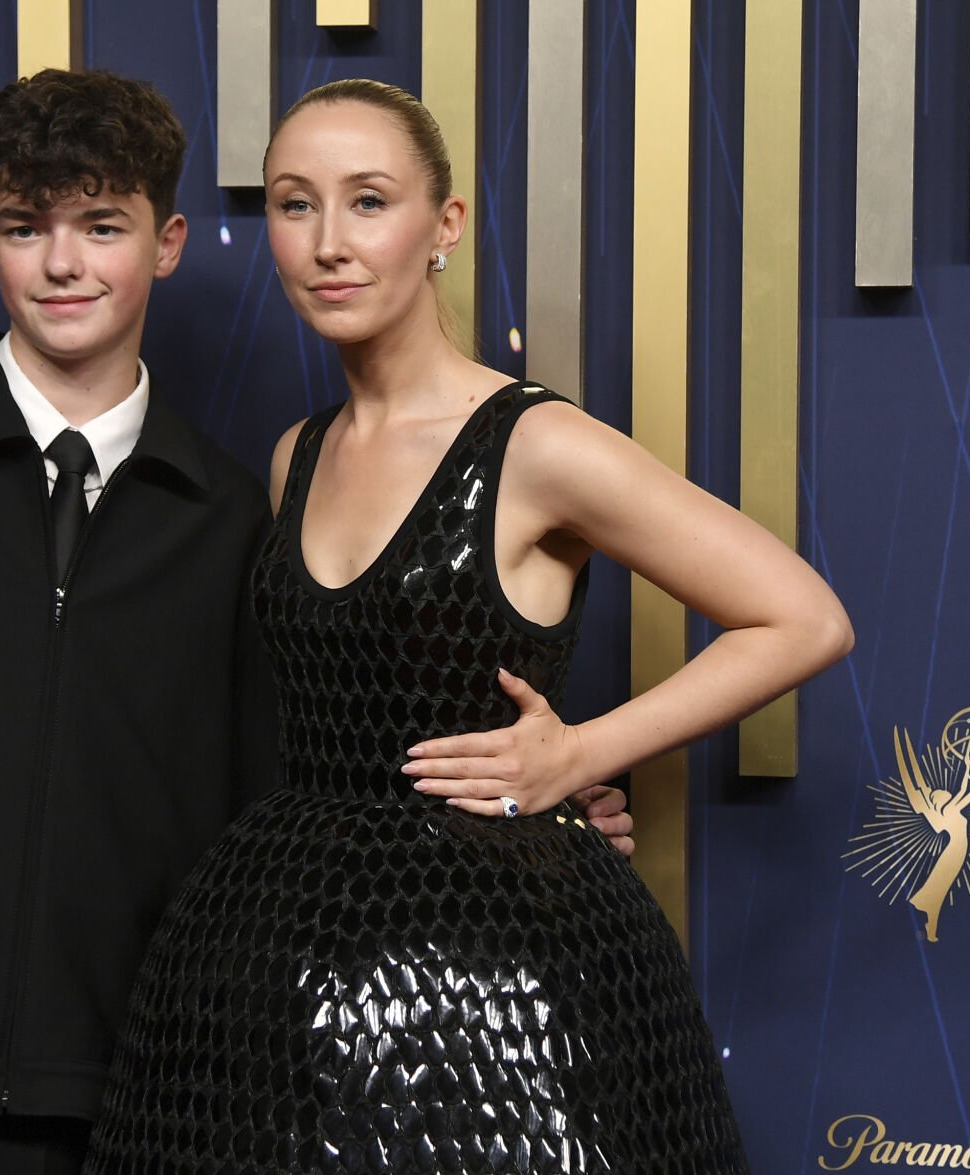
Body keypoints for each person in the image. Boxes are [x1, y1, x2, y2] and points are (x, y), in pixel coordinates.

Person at [0, 70, 634, 1175]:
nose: (62, 264)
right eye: (26, 227)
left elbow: (300, 787)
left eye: (101, 226)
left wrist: (524, 823)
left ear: (164, 243)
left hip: (114, 1108)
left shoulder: (233, 514)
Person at [86, 79, 854, 1174]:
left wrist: (579, 754)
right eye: (294, 204)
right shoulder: (293, 457)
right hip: (288, 965)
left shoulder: (535, 445)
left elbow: (800, 617)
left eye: (368, 201)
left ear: (442, 225)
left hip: (500, 983)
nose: (328, 242)